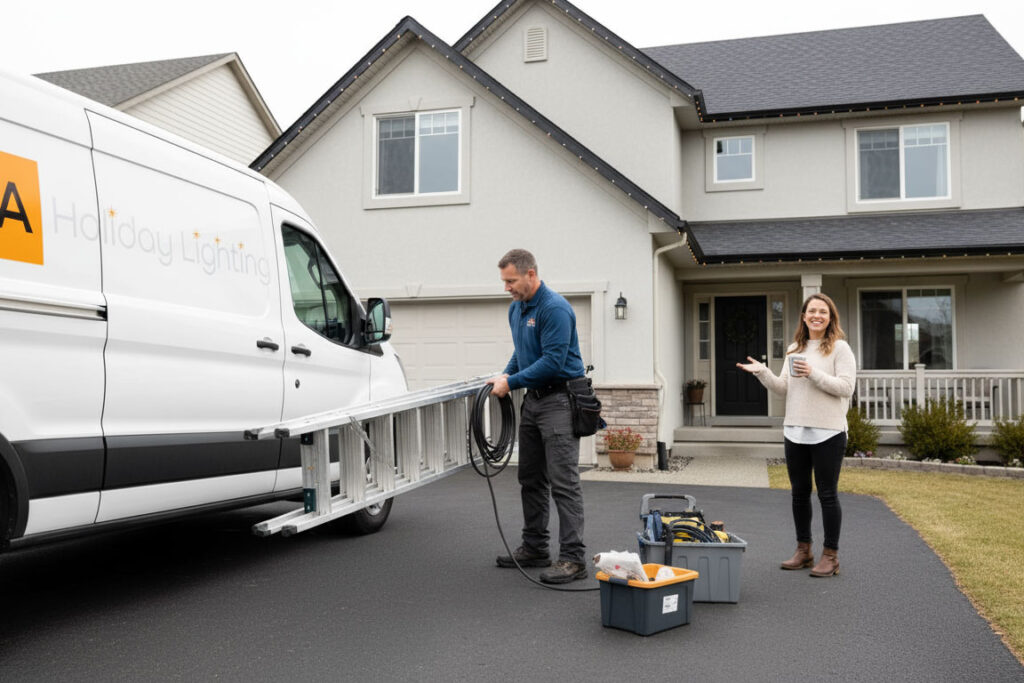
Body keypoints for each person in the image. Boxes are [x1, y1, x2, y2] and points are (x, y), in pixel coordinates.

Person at [487, 249, 590, 584]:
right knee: (530, 479)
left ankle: (573, 559)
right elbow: (523, 350)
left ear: (531, 274)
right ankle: (535, 548)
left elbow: (553, 361)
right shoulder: (516, 309)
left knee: (564, 483)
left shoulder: (555, 308)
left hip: (560, 401)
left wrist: (511, 382)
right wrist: (504, 375)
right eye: (504, 281)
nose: (507, 287)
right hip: (533, 403)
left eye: (511, 280)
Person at [736, 293, 855, 577]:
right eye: (811, 311)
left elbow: (846, 388)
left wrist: (813, 373)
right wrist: (762, 372)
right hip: (795, 430)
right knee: (799, 494)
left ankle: (830, 556)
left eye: (822, 312)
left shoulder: (840, 349)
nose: (817, 315)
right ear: (804, 316)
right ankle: (804, 550)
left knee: (827, 494)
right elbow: (783, 388)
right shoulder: (794, 349)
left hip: (828, 431)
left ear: (830, 317)